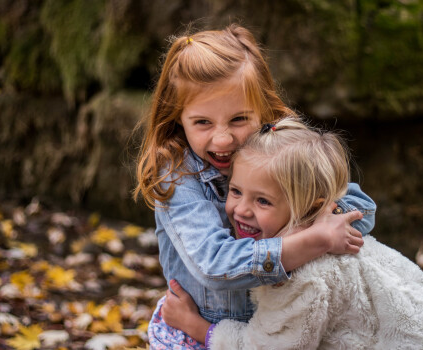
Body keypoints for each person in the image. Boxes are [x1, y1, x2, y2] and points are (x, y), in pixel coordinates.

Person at [134, 24, 377, 349]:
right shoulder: (178, 175)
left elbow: (362, 211)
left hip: (275, 330)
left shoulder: (280, 154)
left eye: (238, 120)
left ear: (263, 110)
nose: (223, 139)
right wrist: (310, 241)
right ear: (178, 117)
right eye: (202, 122)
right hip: (199, 332)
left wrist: (311, 223)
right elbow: (214, 265)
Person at [162, 118, 423, 350]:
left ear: (310, 207)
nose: (241, 210)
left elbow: (268, 347)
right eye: (235, 191)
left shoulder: (303, 275)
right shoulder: (331, 228)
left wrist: (198, 327)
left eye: (263, 201)